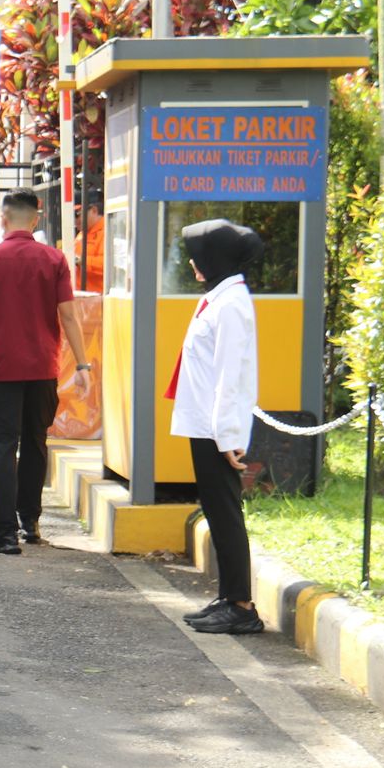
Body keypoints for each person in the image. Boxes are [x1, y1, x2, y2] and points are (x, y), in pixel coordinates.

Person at [0, 190, 91, 555]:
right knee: (36, 443)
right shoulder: (54, 259)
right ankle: (31, 522)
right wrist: (84, 364)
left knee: (4, 447)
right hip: (42, 367)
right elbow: (69, 315)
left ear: (4, 220)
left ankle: (4, 533)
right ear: (36, 220)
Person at [169, 219, 265, 636]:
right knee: (217, 510)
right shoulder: (218, 298)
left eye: (199, 254)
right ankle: (229, 597)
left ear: (215, 259)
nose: (192, 262)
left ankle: (242, 606)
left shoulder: (232, 304)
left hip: (218, 430)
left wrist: (229, 436)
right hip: (205, 423)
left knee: (226, 514)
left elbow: (233, 374)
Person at [74, 196, 105, 292]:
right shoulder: (82, 234)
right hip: (82, 299)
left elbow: (109, 266)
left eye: (77, 214)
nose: (74, 220)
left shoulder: (107, 232)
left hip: (98, 301)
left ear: (94, 211)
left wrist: (81, 261)